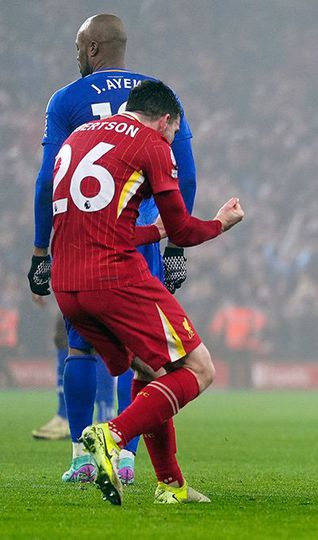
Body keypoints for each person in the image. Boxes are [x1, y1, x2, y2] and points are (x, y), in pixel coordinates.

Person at [50, 79, 243, 505]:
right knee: (199, 368)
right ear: (166, 119)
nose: (173, 141)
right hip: (114, 278)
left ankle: (170, 485)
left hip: (67, 284)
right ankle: (111, 435)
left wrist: (144, 232)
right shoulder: (151, 143)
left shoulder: (79, 136)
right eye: (174, 133)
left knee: (152, 373)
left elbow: (90, 221)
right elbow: (182, 231)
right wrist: (220, 224)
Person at [27, 13, 197, 483]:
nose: (76, 55)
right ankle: (125, 459)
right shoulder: (158, 96)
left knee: (80, 350)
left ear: (94, 49)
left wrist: (42, 249)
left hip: (82, 242)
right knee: (147, 357)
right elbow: (186, 171)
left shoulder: (67, 100)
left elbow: (47, 181)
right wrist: (176, 244)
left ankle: (83, 459)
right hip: (140, 239)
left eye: (79, 46)